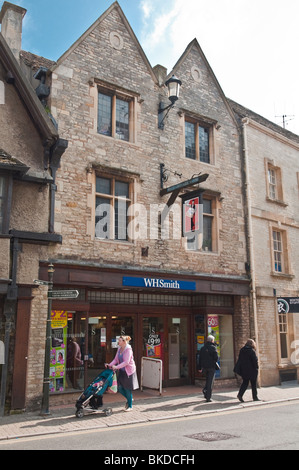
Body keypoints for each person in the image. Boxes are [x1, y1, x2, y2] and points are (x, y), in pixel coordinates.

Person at [106, 335, 138, 412]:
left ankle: (130, 406)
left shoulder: (128, 349)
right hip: (122, 370)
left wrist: (117, 367)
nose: (118, 342)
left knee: (127, 389)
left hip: (129, 371)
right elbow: (116, 359)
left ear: (124, 342)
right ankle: (129, 398)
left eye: (120, 340)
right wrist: (110, 365)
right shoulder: (119, 348)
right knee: (119, 388)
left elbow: (126, 362)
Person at [197, 335, 219, 402]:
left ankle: (205, 391)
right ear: (212, 340)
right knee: (210, 382)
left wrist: (199, 367)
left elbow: (200, 359)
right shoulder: (213, 348)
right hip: (211, 367)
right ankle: (208, 397)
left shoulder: (202, 348)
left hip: (204, 367)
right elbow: (216, 358)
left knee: (207, 380)